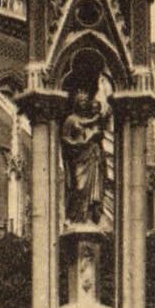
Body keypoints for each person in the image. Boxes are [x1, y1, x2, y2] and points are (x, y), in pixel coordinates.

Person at [60, 89, 108, 223]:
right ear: (76, 103)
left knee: (92, 189)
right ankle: (74, 218)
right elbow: (64, 138)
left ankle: (88, 217)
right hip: (78, 157)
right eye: (81, 101)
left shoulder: (88, 120)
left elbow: (98, 132)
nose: (84, 103)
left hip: (91, 156)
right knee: (79, 187)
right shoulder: (71, 120)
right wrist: (78, 144)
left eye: (86, 101)